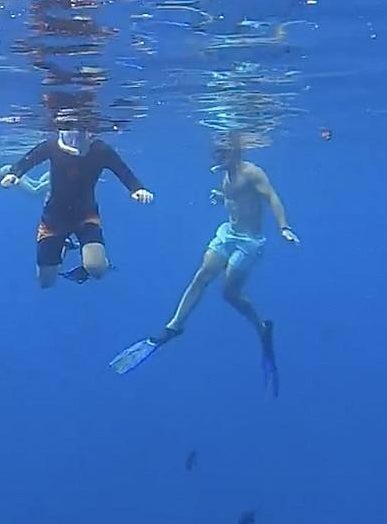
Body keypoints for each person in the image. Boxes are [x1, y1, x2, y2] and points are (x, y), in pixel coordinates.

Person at [109, 132, 299, 397]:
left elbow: (272, 198)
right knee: (202, 276)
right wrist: (221, 197)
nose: (218, 156)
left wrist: (284, 227)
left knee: (229, 293)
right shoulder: (226, 174)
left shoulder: (252, 172)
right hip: (228, 234)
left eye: (224, 151)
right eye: (216, 152)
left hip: (249, 242)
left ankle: (261, 327)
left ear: (235, 151)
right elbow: (238, 199)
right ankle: (174, 326)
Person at [1, 128, 153, 287]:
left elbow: (122, 170)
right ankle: (64, 245)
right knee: (46, 282)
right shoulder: (51, 146)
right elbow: (29, 159)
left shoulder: (101, 150)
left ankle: (98, 260)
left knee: (96, 269)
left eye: (81, 134)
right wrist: (14, 174)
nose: (75, 141)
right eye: (71, 134)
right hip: (53, 219)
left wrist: (137, 189)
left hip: (86, 216)